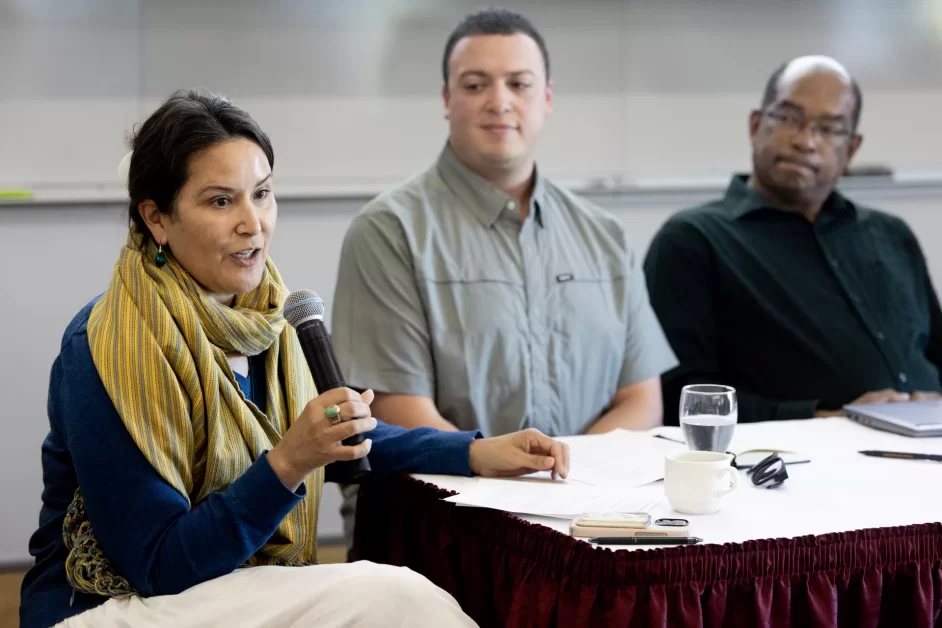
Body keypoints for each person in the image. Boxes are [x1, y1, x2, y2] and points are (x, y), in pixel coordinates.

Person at [19, 90, 570, 628]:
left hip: (227, 584)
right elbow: (160, 566)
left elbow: (332, 433)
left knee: (400, 600)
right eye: (220, 201)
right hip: (115, 603)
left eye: (261, 194)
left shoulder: (268, 318)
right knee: (398, 600)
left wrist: (473, 452)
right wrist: (287, 464)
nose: (252, 222)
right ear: (157, 219)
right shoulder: (107, 345)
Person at [332, 8, 676, 439]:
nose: (499, 101)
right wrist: (502, 469)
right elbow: (395, 410)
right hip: (444, 485)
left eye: (519, 84)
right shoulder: (388, 231)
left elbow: (642, 400)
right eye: (475, 85)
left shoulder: (605, 235)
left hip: (590, 483)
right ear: (446, 99)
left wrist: (568, 471)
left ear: (546, 98)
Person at [644, 55, 942, 425]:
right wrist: (823, 420)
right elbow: (678, 395)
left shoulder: (891, 234)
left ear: (851, 150)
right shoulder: (695, 240)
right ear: (755, 126)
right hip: (801, 453)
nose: (806, 141)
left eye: (829, 128)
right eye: (789, 119)